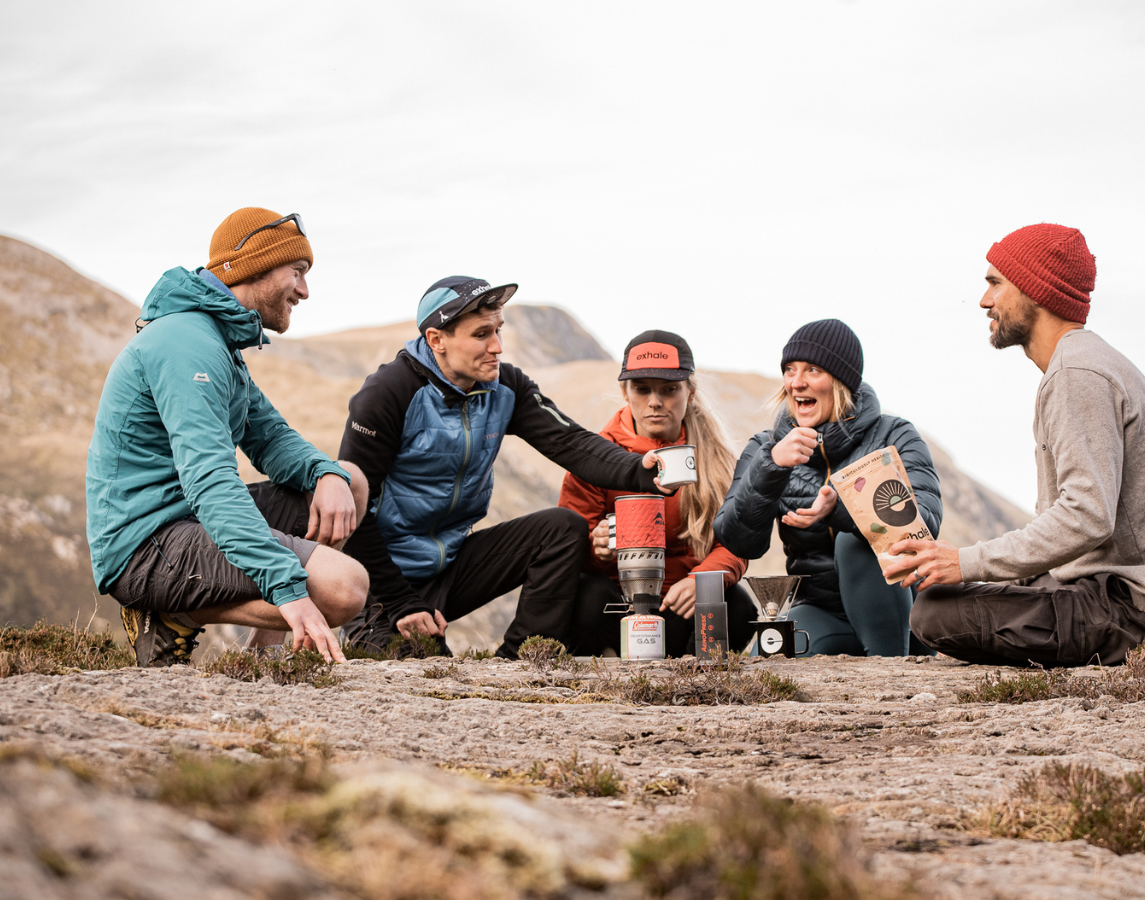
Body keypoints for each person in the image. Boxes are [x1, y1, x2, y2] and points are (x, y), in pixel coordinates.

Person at [888, 223, 1145, 667]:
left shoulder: (1077, 375)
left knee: (934, 615)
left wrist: (966, 561)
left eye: (996, 284)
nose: (984, 301)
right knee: (945, 595)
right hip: (1115, 596)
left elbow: (1087, 516)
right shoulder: (1080, 363)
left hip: (1139, 619)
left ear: (1035, 291)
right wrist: (963, 569)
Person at [87, 208, 370, 667]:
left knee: (347, 482)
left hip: (187, 521)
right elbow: (211, 483)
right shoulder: (186, 343)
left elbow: (271, 439)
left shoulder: (216, 340)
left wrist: (325, 473)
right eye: (297, 272)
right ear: (254, 267)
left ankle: (266, 655)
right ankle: (167, 613)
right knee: (343, 589)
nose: (305, 290)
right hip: (146, 545)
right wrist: (288, 588)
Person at [337, 276, 667, 658]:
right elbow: (354, 513)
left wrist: (640, 469)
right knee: (422, 671)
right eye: (481, 334)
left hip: (450, 566)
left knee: (562, 528)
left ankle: (520, 659)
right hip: (379, 582)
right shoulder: (388, 394)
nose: (497, 346)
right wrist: (400, 602)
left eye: (498, 330)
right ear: (436, 340)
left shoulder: (505, 387)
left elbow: (571, 443)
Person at [713, 320, 942, 657]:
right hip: (824, 611)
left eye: (813, 370)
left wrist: (839, 511)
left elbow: (923, 522)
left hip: (904, 611)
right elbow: (739, 539)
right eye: (789, 369)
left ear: (841, 380)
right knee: (764, 661)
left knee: (855, 541)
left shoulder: (895, 436)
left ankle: (895, 673)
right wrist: (771, 468)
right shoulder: (767, 449)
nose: (797, 382)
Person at [560, 330, 754, 657]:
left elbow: (735, 542)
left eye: (669, 389)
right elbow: (568, 548)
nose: (655, 402)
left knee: (737, 605)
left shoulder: (717, 459)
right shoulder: (595, 457)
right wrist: (596, 549)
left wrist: (702, 581)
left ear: (690, 392)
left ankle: (697, 675)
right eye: (641, 389)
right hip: (619, 609)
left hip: (683, 606)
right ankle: (609, 668)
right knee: (585, 596)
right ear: (624, 391)